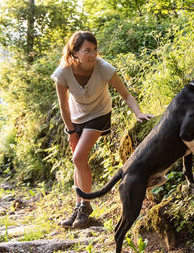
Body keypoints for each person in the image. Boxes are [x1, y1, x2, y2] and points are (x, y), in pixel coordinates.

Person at [51, 31, 153, 228]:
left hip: (99, 115)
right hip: (75, 118)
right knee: (78, 162)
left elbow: (126, 95)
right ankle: (79, 206)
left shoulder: (104, 68)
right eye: (87, 50)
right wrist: (71, 131)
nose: (92, 54)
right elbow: (64, 106)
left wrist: (138, 113)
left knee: (78, 158)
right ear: (74, 53)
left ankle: (86, 206)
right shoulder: (63, 73)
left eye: (95, 50)